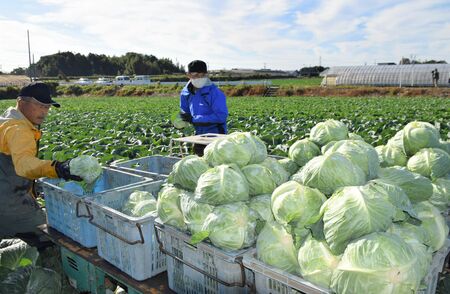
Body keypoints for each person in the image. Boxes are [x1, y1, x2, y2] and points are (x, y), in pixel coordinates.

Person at [0, 82, 82, 247]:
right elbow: (24, 165)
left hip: (8, 192)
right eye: (39, 106)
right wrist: (56, 168)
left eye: (47, 107)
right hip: (8, 204)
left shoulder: (9, 119)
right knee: (58, 232)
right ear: (21, 102)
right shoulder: (18, 130)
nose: (44, 112)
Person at [179, 60, 228, 155]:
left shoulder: (214, 92)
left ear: (207, 74)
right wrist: (180, 121)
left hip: (216, 136)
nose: (199, 78)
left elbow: (221, 116)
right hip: (199, 136)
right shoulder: (186, 93)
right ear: (188, 75)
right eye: (196, 75)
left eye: (202, 75)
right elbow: (184, 112)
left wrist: (194, 119)